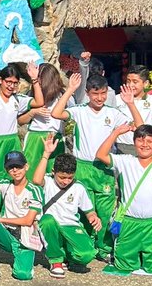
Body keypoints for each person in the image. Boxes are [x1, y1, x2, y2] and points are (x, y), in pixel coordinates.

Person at [50, 72, 143, 261]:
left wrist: (131, 103)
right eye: (95, 94)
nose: (99, 98)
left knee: (105, 211)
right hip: (83, 167)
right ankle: (83, 245)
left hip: (104, 168)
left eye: (102, 93)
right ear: (88, 93)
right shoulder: (79, 110)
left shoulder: (113, 113)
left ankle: (104, 248)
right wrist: (70, 90)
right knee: (83, 209)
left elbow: (140, 127)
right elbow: (56, 113)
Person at [96, 124, 152, 275]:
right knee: (124, 265)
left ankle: (147, 256)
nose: (145, 145)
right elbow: (101, 155)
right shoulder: (125, 161)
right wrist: (115, 133)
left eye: (149, 141)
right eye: (140, 141)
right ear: (134, 142)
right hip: (129, 222)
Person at [32, 135, 101, 279]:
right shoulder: (48, 181)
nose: (66, 181)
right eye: (62, 177)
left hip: (71, 225)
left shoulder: (79, 187)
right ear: (54, 172)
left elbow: (89, 211)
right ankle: (56, 261)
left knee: (86, 255)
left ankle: (68, 256)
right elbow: (36, 180)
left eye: (69, 177)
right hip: (53, 225)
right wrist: (46, 154)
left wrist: (94, 217)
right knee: (46, 220)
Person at [0, 56, 35, 216]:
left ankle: (12, 214)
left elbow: (38, 101)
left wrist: (35, 79)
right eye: (8, 82)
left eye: (15, 83)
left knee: (14, 177)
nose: (11, 86)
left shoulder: (18, 99)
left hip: (12, 141)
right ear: (1, 80)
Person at [0, 146, 43, 282]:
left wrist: (1, 220)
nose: (15, 170)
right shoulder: (6, 184)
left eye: (18, 166)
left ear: (26, 167)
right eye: (11, 167)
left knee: (23, 275)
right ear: (7, 170)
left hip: (24, 237)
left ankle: (24, 259)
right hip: (7, 234)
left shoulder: (34, 190)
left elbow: (28, 221)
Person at [22, 61, 72, 173]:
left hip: (55, 138)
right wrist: (33, 112)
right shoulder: (31, 94)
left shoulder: (62, 96)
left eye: (39, 77)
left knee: (54, 173)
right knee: (31, 172)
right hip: (35, 137)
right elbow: (20, 120)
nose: (37, 80)